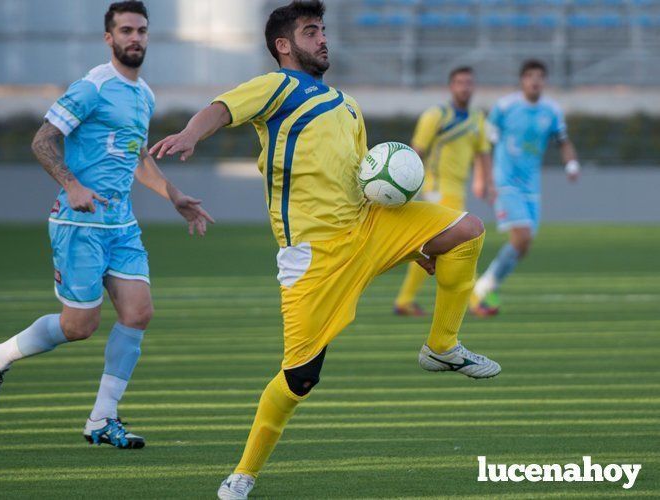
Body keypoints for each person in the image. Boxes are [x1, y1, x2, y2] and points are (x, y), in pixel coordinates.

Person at [152, 2, 500, 497]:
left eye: (322, 30)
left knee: (467, 229)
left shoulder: (348, 105)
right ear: (283, 45)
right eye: (310, 31)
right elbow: (222, 108)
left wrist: (409, 246)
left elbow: (369, 183)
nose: (322, 39)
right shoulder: (278, 88)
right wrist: (191, 132)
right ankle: (243, 474)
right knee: (299, 380)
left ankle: (442, 348)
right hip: (314, 256)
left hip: (369, 224)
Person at [0, 0, 213, 449]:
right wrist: (73, 184)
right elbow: (43, 141)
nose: (135, 38)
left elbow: (136, 158)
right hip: (79, 223)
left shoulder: (144, 95)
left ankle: (102, 420)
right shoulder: (92, 87)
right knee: (79, 326)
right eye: (126, 30)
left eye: (141, 30)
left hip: (121, 225)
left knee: (138, 312)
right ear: (109, 38)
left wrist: (174, 195)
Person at [470, 59, 580, 315]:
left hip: (531, 187)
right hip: (505, 182)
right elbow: (482, 143)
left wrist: (572, 164)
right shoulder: (505, 107)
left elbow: (563, 141)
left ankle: (487, 285)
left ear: (545, 81)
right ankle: (483, 287)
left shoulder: (551, 110)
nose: (535, 80)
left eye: (540, 75)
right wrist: (482, 178)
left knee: (524, 246)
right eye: (530, 75)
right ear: (522, 80)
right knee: (522, 236)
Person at [393, 66, 494, 317]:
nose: (464, 87)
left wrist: (483, 181)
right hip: (436, 190)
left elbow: (482, 152)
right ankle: (476, 300)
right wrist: (407, 187)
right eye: (459, 82)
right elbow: (416, 152)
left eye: (469, 82)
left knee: (429, 247)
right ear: (451, 86)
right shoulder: (436, 116)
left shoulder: (477, 118)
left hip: (457, 190)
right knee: (465, 242)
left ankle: (405, 300)